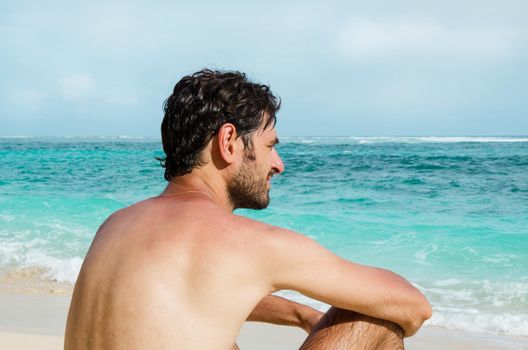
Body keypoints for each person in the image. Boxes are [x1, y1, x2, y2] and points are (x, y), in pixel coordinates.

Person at [65, 69, 432, 350]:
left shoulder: (117, 225)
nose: (278, 164)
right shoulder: (247, 243)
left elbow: (190, 291)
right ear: (228, 142)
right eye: (270, 145)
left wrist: (300, 314)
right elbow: (413, 307)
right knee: (371, 317)